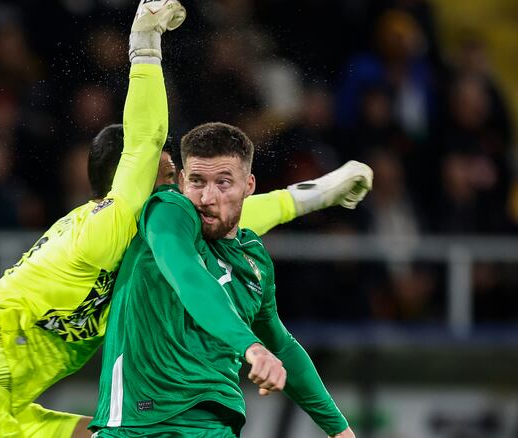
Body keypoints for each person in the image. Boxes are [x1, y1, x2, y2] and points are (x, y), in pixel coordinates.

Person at [0, 1, 371, 436]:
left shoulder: (142, 235)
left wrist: (319, 193)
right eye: (169, 180)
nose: (184, 196)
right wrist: (145, 45)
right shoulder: (103, 231)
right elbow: (147, 139)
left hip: (6, 408)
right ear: (129, 182)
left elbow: (234, 211)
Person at [90, 122, 356, 438]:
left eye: (224, 183)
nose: (207, 197)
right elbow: (189, 278)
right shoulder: (168, 212)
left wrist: (339, 428)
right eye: (197, 182)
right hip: (140, 424)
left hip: (216, 426)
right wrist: (251, 348)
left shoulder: (254, 260)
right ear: (181, 181)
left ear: (249, 185)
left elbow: (282, 345)